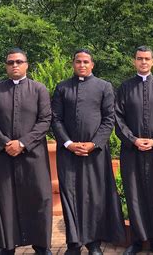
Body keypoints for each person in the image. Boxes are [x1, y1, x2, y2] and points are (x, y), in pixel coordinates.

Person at [51, 49, 125, 255]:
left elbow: (109, 119)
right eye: (78, 61)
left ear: (92, 65)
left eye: (86, 62)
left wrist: (94, 144)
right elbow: (55, 119)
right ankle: (73, 244)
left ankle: (93, 243)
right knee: (70, 196)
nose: (82, 65)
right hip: (68, 153)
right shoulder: (62, 88)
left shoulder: (104, 87)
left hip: (96, 153)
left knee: (94, 196)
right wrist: (68, 143)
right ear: (73, 64)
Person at [0, 48, 53, 255]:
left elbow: (45, 120)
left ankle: (41, 245)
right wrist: (5, 143)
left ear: (26, 65)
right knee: (5, 199)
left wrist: (22, 143)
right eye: (10, 62)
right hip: (3, 156)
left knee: (40, 198)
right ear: (6, 66)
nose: (15, 65)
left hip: (33, 155)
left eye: (19, 62)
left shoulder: (39, 89)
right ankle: (7, 245)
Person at [115, 46, 153, 255]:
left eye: (147, 59)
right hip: (132, 152)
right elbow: (118, 119)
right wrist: (133, 140)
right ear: (134, 61)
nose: (143, 62)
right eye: (139, 59)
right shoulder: (124, 88)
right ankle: (138, 241)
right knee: (135, 194)